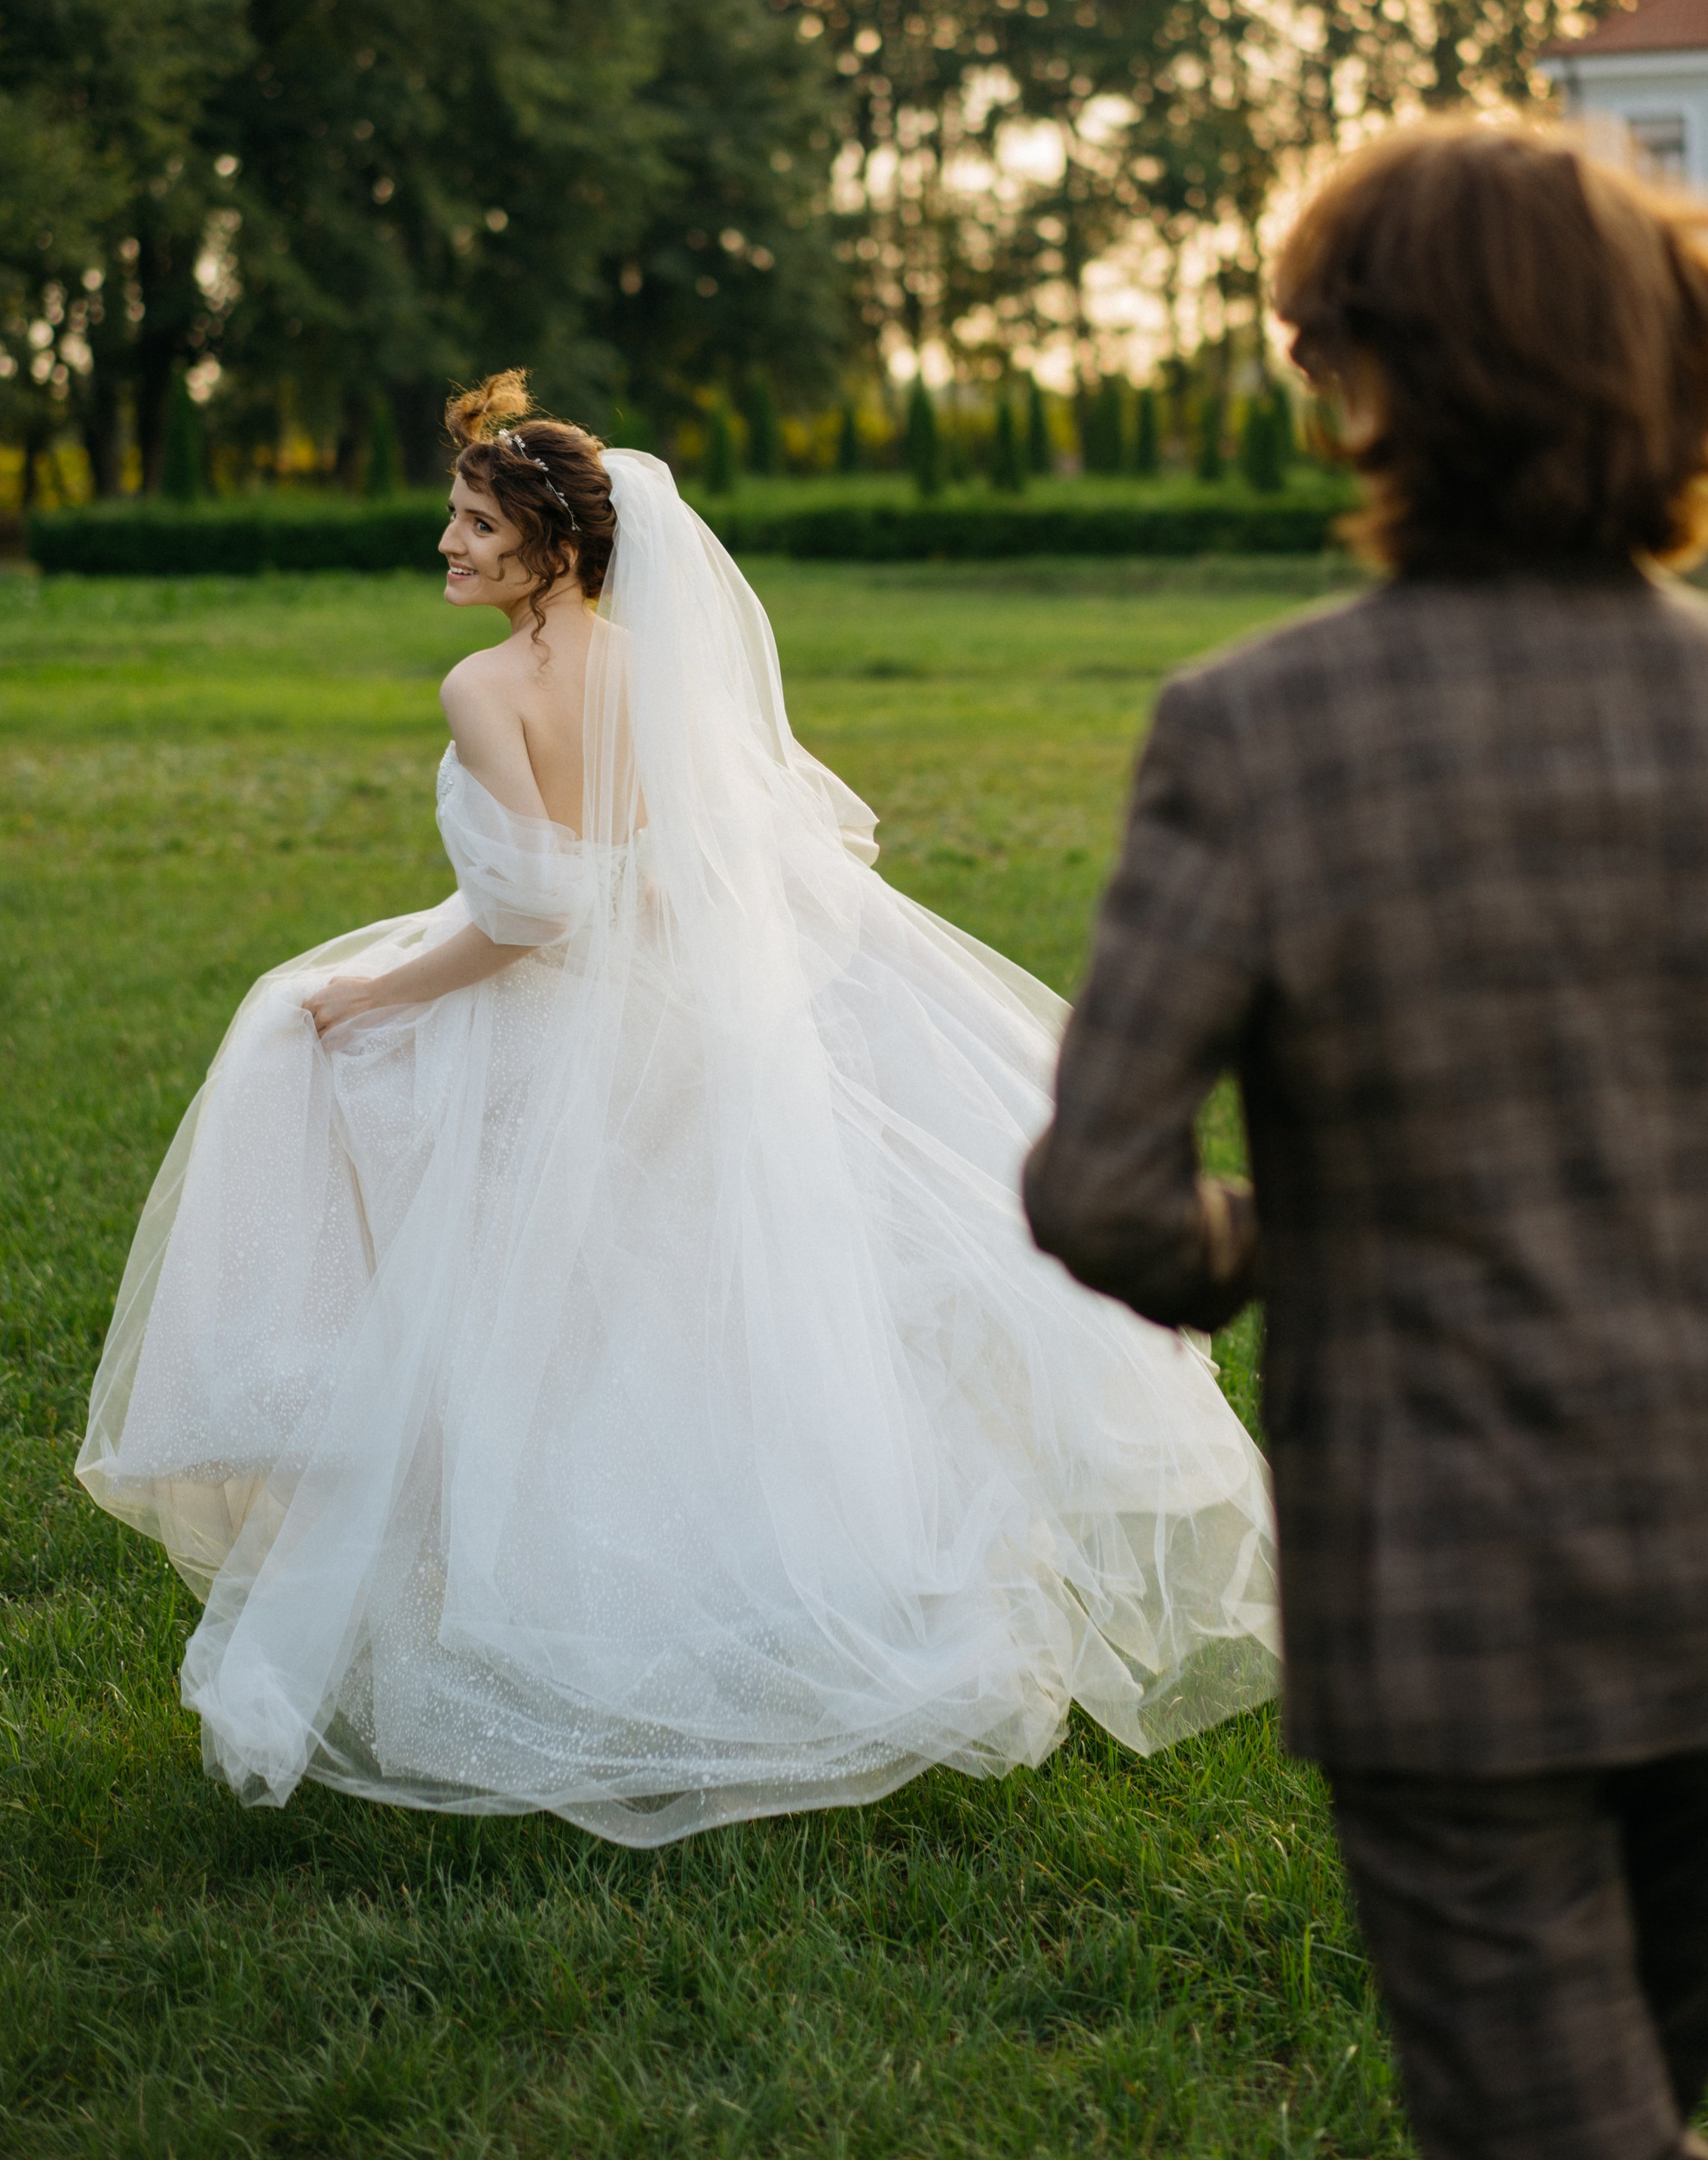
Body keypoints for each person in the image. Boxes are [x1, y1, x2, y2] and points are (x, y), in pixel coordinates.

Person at [1023, 119, 1708, 2160]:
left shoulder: (1254, 731)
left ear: (1367, 378)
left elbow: (1102, 1188)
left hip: (1455, 1590)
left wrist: (1282, 1242)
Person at [78, 375, 1278, 1847]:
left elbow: (523, 912)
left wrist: (364, 999)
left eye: (472, 523)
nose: (445, 546)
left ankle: (557, 1621)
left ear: (553, 548)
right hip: (687, 1028)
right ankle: (747, 1604)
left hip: (551, 1029)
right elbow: (761, 849)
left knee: (470, 1260)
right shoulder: (661, 666)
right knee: (676, 1323)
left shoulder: (484, 689)